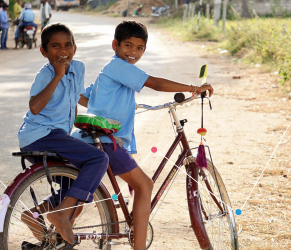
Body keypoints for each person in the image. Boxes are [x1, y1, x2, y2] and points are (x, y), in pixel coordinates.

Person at [71, 20, 214, 250]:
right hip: (108, 142)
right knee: (144, 185)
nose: (133, 52)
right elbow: (155, 84)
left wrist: (113, 107)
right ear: (115, 45)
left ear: (144, 50)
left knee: (77, 193)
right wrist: (195, 88)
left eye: (139, 48)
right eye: (128, 45)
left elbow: (86, 98)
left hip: (92, 139)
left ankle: (39, 216)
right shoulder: (119, 67)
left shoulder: (108, 71)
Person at [18, 23, 109, 247]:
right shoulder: (45, 74)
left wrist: (99, 117)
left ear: (75, 48)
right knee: (99, 159)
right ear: (44, 52)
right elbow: (35, 107)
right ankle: (61, 216)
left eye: (68, 45)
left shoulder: (78, 68)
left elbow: (75, 99)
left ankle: (36, 215)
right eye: (55, 46)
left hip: (57, 135)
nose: (63, 51)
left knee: (78, 178)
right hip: (40, 135)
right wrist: (57, 75)